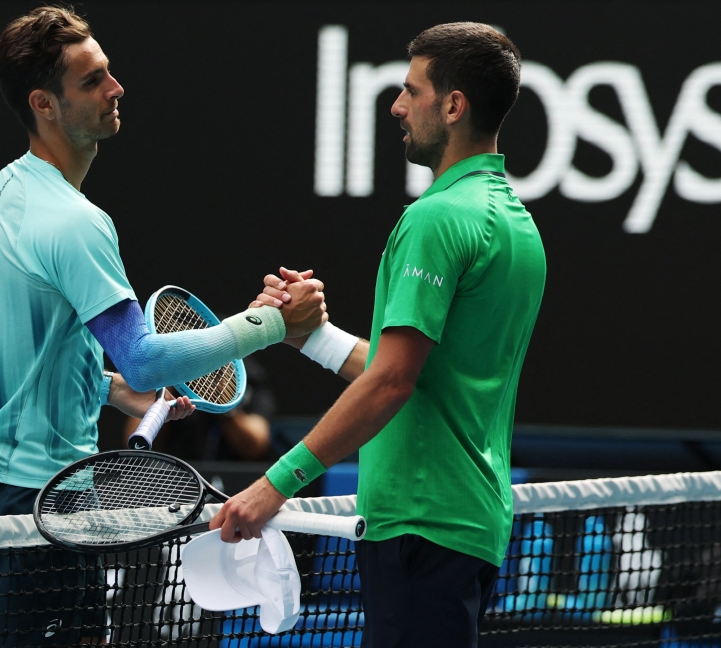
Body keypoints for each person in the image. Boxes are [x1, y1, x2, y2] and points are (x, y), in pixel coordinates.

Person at [0, 7, 327, 645]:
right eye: (92, 80)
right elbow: (147, 361)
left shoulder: (7, 190)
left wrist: (105, 391)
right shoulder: (76, 223)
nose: (116, 87)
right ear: (45, 103)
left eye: (109, 72)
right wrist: (269, 324)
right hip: (38, 502)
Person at [211, 23, 546, 648]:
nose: (396, 105)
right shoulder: (514, 224)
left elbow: (393, 381)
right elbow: (418, 377)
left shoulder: (436, 218)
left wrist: (273, 485)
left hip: (420, 526)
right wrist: (311, 337)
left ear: (453, 105)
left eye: (410, 90)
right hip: (465, 523)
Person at [121, 356, 277, 461]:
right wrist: (169, 384)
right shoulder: (170, 385)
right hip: (176, 480)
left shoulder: (250, 387)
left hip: (234, 486)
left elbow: (256, 445)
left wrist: (224, 406)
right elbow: (135, 440)